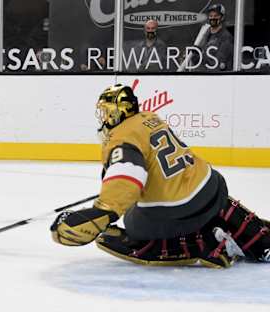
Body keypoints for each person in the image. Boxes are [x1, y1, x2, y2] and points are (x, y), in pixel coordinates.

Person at [50, 84, 270, 268]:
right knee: (190, 196)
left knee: (133, 221)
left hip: (181, 207)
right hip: (212, 185)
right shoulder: (149, 117)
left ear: (119, 111)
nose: (104, 117)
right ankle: (234, 226)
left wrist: (104, 211)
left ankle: (204, 242)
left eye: (107, 111)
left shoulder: (120, 137)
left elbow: (126, 175)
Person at [196, 4, 234, 71]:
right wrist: (194, 55)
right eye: (211, 16)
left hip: (218, 76)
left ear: (222, 17)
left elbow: (218, 64)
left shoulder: (226, 36)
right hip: (203, 75)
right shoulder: (205, 33)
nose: (213, 18)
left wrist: (200, 57)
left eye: (216, 16)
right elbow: (199, 57)